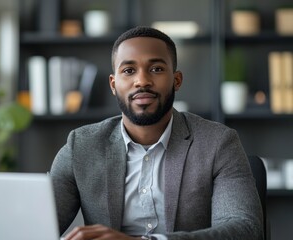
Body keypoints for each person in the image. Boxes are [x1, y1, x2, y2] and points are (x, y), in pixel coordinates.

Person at [49, 26, 264, 240]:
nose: (142, 81)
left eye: (156, 69)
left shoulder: (218, 143)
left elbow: (244, 229)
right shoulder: (81, 146)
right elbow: (38, 225)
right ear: (113, 85)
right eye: (129, 71)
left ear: (176, 80)